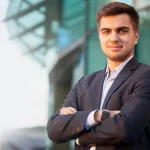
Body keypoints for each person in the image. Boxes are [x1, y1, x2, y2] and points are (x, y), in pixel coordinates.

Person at [47, 2, 150, 150]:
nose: (113, 38)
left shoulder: (145, 76)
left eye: (122, 31)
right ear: (100, 36)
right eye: (106, 31)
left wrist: (81, 137)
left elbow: (125, 127)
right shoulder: (84, 83)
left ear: (136, 36)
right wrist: (98, 115)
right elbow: (54, 129)